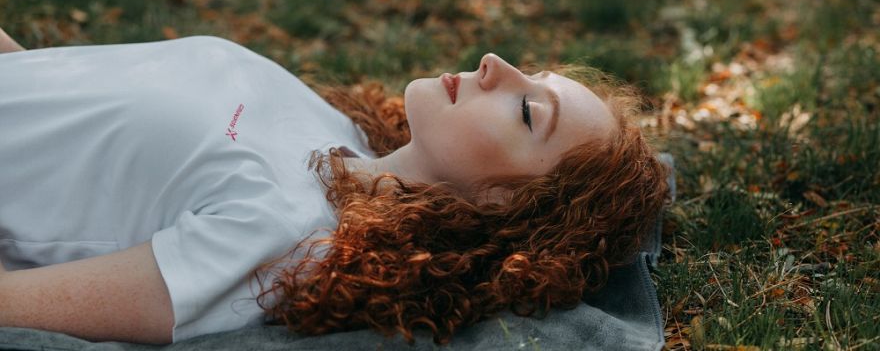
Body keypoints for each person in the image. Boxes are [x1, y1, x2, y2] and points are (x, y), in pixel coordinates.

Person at [0, 32, 670, 345]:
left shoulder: (286, 238)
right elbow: (63, 106)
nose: (498, 65)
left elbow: (16, 302)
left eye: (528, 112)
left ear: (506, 205)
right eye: (535, 74)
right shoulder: (336, 129)